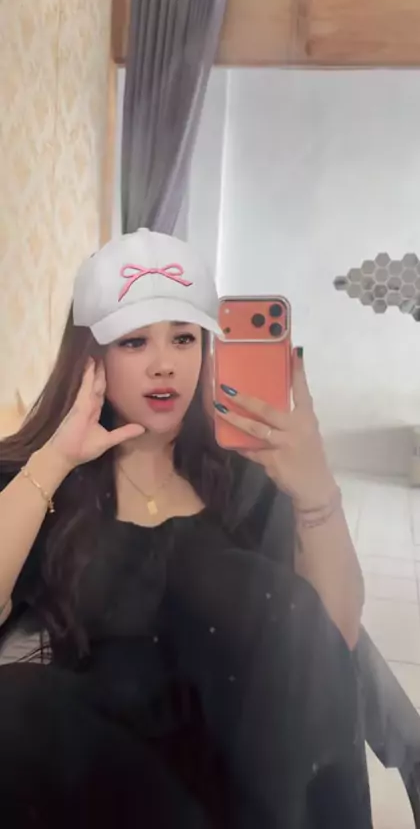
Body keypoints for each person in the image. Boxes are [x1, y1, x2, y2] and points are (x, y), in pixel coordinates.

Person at [0, 228, 371, 828]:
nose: (164, 364)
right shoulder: (48, 479)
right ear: (92, 357)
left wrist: (315, 492)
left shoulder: (248, 477)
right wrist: (54, 460)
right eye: (134, 341)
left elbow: (330, 642)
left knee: (233, 583)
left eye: (183, 337)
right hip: (102, 766)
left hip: (246, 777)